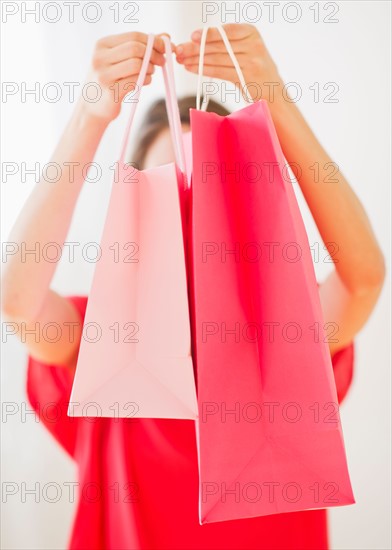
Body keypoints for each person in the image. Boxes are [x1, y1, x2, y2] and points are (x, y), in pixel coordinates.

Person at [2, 24, 385, 550]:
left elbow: (363, 279)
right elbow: (18, 303)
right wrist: (89, 116)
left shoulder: (281, 337)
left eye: (213, 180)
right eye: (168, 187)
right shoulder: (105, 338)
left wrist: (274, 101)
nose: (189, 209)